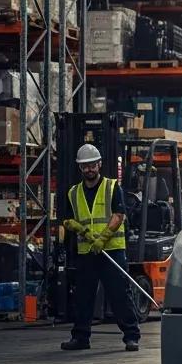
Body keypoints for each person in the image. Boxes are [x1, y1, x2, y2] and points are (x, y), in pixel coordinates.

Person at [60, 143, 141, 351]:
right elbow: (67, 220)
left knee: (119, 294)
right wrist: (79, 228)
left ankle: (131, 336)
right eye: (85, 166)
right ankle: (81, 338)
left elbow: (119, 215)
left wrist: (102, 238)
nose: (89, 169)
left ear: (100, 164)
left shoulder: (112, 187)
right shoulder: (73, 192)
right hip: (86, 251)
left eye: (92, 165)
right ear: (80, 168)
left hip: (111, 249)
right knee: (83, 296)